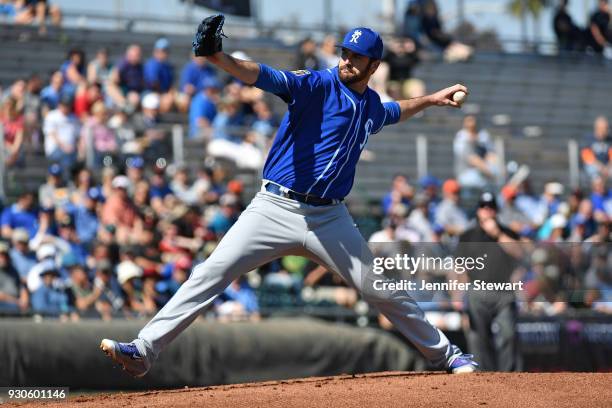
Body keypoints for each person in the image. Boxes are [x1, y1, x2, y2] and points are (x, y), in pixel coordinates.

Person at [100, 22, 477, 377]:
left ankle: (447, 356)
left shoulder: (370, 106)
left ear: (374, 64)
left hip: (330, 219)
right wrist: (218, 58)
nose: (347, 60)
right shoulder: (316, 85)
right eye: (345, 52)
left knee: (380, 288)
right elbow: (261, 75)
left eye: (356, 56)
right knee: (211, 272)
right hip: (275, 207)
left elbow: (395, 112)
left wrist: (431, 99)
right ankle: (143, 350)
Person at [457, 192, 523, 372]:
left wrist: (497, 234)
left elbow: (519, 254)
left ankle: (509, 377)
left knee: (508, 333)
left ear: (496, 210)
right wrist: (459, 298)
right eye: (483, 207)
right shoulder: (468, 235)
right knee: (478, 337)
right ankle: (482, 378)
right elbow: (459, 269)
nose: (487, 211)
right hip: (477, 291)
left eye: (491, 207)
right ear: (478, 210)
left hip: (503, 291)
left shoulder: (508, 232)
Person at [143, 38, 175, 113]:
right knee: (163, 102)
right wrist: (163, 96)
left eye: (165, 51)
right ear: (155, 51)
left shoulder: (167, 66)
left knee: (181, 100)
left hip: (164, 93)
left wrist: (170, 94)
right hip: (150, 93)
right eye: (161, 51)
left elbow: (170, 84)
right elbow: (153, 84)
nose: (164, 53)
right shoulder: (152, 64)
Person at [581, 116, 611, 181]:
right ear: (596, 128)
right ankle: (596, 191)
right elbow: (587, 157)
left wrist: (607, 167)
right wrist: (601, 168)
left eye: (606, 128)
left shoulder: (609, 140)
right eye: (601, 128)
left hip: (608, 166)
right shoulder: (588, 139)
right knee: (594, 174)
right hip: (594, 166)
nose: (604, 130)